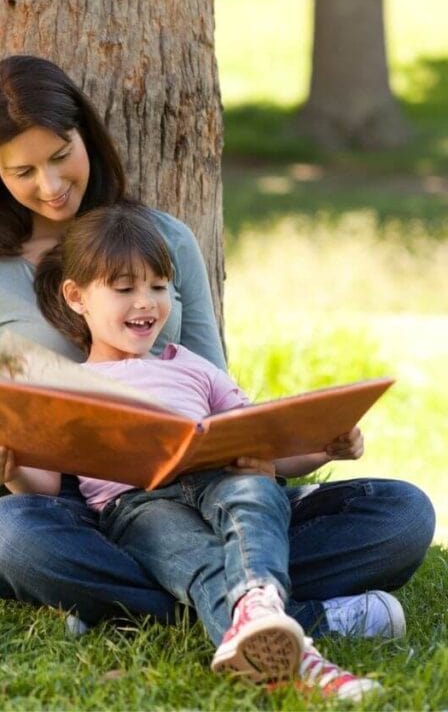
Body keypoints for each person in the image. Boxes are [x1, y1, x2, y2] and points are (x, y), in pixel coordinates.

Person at [0, 54, 435, 683]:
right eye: (22, 171)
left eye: (61, 155)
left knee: (403, 513)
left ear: (86, 134)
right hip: (85, 508)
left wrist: (300, 444)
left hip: (210, 491)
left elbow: (217, 401)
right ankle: (296, 615)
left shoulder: (162, 239)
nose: (51, 184)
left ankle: (132, 612)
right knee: (8, 538)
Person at [31, 202, 379, 696]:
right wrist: (9, 468)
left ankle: (256, 602)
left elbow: (265, 443)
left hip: (222, 476)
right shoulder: (68, 388)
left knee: (258, 491)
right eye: (124, 288)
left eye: (158, 286)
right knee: (195, 557)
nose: (145, 303)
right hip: (140, 506)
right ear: (77, 296)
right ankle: (304, 657)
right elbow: (41, 486)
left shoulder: (191, 365)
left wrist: (325, 449)